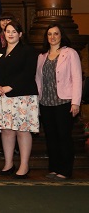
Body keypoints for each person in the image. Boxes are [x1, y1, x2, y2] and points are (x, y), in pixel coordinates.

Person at [0, 21, 38, 179]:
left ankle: (24, 165)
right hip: (0, 96)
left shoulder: (28, 51)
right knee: (6, 130)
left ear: (20, 34)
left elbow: (29, 72)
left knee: (22, 130)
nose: (10, 34)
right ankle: (8, 163)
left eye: (14, 31)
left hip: (22, 96)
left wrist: (11, 86)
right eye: (7, 31)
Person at [36, 24, 83, 180]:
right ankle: (54, 168)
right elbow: (38, 81)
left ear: (61, 35)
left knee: (64, 136)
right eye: (49, 34)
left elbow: (77, 78)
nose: (52, 37)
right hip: (46, 102)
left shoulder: (70, 53)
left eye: (56, 33)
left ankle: (65, 170)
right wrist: (37, 103)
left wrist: (75, 102)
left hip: (64, 101)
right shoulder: (42, 56)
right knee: (51, 137)